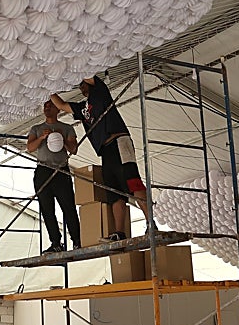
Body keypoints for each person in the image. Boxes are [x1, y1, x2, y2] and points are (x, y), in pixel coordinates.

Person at [51, 75, 150, 242]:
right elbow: (60, 105)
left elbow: (88, 75)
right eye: (80, 86)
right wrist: (47, 89)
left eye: (83, 84)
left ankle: (150, 222)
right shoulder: (82, 108)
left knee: (132, 182)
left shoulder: (100, 92)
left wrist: (76, 68)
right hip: (105, 150)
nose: (82, 88)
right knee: (114, 191)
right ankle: (119, 231)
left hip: (119, 141)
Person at [27, 100, 81, 253]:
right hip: (43, 169)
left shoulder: (66, 128)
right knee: (47, 209)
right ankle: (56, 243)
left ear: (58, 109)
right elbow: (30, 147)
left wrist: (61, 139)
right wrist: (42, 138)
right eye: (45, 105)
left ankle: (77, 241)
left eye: (51, 105)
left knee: (68, 207)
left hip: (61, 171)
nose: (47, 107)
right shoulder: (36, 129)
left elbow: (74, 149)